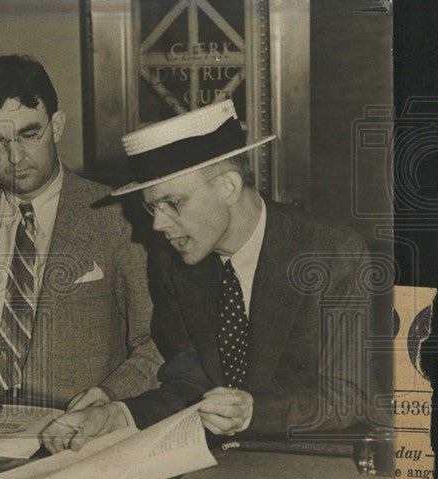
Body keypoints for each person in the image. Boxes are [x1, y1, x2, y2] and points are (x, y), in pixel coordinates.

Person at [41, 99, 370, 453]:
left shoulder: (333, 253)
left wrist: (252, 414)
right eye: (152, 207)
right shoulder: (171, 264)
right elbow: (188, 384)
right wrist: (117, 414)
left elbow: (349, 396)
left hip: (314, 465)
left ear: (227, 187)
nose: (157, 224)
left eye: (173, 204)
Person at [0, 55, 162, 409]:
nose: (15, 156)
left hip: (82, 439)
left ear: (56, 126)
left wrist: (111, 395)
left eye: (29, 133)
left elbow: (154, 344)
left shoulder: (119, 217)